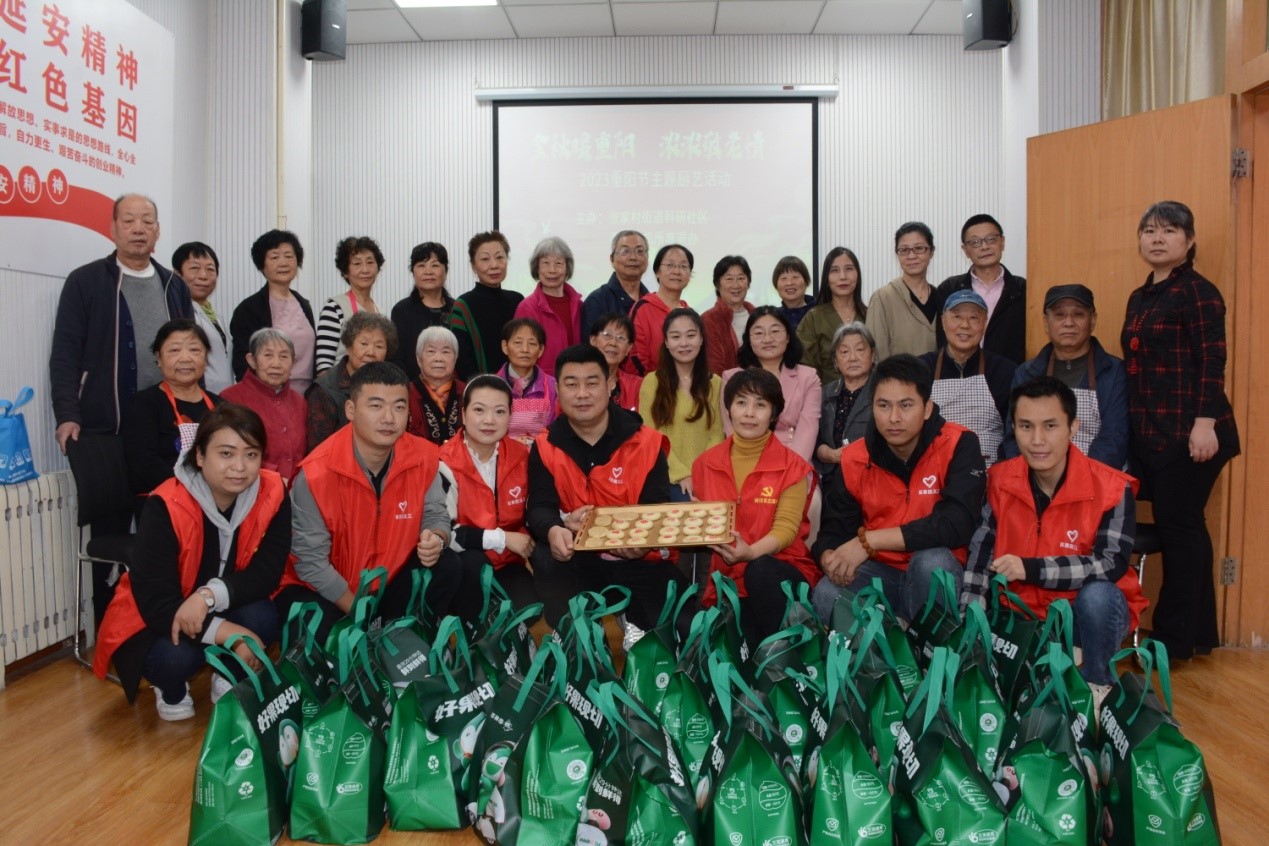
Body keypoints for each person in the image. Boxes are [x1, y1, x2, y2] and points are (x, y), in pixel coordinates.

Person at [93, 405, 290, 719]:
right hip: (158, 617)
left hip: (216, 603)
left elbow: (266, 573)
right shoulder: (166, 504)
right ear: (199, 456)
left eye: (251, 454)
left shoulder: (273, 492)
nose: (240, 467)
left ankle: (228, 674)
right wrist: (232, 635)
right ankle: (170, 688)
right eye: (226, 454)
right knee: (174, 658)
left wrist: (207, 596)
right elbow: (157, 604)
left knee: (263, 617)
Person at [962, 377, 1146, 702]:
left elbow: (1109, 564)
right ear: (1013, 429)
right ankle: (1049, 666)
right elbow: (980, 555)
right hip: (1020, 615)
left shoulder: (1113, 488)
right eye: (1026, 426)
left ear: (1073, 427)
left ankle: (1097, 687)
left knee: (1099, 597)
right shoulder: (1000, 480)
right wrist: (971, 623)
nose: (1037, 440)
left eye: (1050, 426)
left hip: (1081, 616)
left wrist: (1030, 568)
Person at [1121, 200, 1240, 660]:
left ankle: (1173, 641)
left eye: (1169, 230)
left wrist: (1204, 423)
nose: (1157, 238)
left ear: (1189, 241)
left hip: (1193, 432)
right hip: (1155, 432)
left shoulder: (1198, 292)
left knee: (1180, 530)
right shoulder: (1141, 296)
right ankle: (1197, 634)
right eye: (1149, 230)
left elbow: (1212, 360)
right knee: (1185, 528)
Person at [274, 361, 469, 639]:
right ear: (351, 410)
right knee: (312, 624)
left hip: (387, 578)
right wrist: (360, 613)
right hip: (329, 589)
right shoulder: (316, 475)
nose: (389, 418)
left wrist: (436, 537)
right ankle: (376, 638)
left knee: (447, 564)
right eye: (376, 406)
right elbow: (311, 564)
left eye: (399, 407)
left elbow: (436, 514)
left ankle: (409, 642)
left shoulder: (423, 457)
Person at [811, 354, 986, 622]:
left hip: (937, 569)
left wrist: (871, 541)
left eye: (906, 405)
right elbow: (834, 530)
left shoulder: (959, 443)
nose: (894, 418)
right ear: (872, 407)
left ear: (927, 408)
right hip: (881, 572)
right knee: (826, 593)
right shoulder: (855, 457)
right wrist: (829, 558)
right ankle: (887, 648)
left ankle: (928, 645)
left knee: (932, 563)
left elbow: (956, 523)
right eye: (883, 405)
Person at [527, 344, 684, 634]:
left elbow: (656, 506)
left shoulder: (646, 443)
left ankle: (636, 624)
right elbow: (539, 505)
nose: (582, 393)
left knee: (680, 624)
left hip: (637, 559)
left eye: (592, 383)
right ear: (557, 390)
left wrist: (642, 540)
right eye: (571, 384)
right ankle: (576, 637)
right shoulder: (545, 445)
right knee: (547, 557)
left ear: (610, 385)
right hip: (578, 558)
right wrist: (554, 528)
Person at [50, 194, 193, 454]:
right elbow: (65, 354)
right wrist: (66, 414)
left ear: (157, 231)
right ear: (113, 229)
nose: (138, 229)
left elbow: (192, 352)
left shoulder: (175, 286)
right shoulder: (85, 281)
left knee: (164, 482)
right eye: (128, 221)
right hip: (102, 425)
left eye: (147, 222)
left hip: (166, 423)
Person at [692, 368, 818, 645]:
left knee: (759, 570)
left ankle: (788, 657)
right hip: (727, 580)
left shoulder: (793, 467)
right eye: (741, 402)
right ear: (729, 409)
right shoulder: (705, 464)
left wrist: (749, 553)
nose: (749, 413)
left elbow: (786, 530)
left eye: (760, 405)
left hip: (780, 572)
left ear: (774, 414)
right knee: (736, 647)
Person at [438, 375, 538, 612]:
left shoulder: (523, 456)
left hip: (508, 561)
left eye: (500, 411)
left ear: (510, 416)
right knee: (473, 566)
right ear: (463, 414)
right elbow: (444, 533)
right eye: (479, 410)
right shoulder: (443, 462)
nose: (489, 420)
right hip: (466, 562)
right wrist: (502, 539)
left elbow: (537, 507)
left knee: (529, 610)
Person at [1002, 284, 1129, 469]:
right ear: (1046, 322)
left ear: (1093, 320)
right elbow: (1014, 438)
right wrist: (1040, 479)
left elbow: (1114, 440)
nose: (1068, 322)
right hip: (1036, 476)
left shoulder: (1115, 371)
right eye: (1059, 315)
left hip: (1097, 476)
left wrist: (1076, 479)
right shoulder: (1026, 373)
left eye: (1078, 314)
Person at [121, 319, 223, 507]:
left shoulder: (221, 406)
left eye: (194, 350)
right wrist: (196, 491)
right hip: (163, 502)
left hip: (216, 498)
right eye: (174, 350)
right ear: (159, 358)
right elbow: (144, 465)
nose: (185, 358)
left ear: (206, 358)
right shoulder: (144, 404)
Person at [919, 290, 1016, 467]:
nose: (965, 325)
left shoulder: (1005, 371)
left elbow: (1014, 435)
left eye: (974, 318)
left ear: (984, 324)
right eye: (957, 316)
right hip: (935, 472)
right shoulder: (921, 368)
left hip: (990, 472)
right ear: (943, 321)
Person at [639, 309, 724, 501]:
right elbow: (650, 435)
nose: (684, 343)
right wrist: (681, 474)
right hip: (666, 476)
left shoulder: (715, 383)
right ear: (666, 342)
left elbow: (717, 434)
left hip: (707, 474)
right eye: (676, 337)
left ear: (701, 339)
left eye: (691, 335)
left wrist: (699, 474)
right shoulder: (652, 382)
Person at [721, 307, 821, 462]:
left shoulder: (808, 377)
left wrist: (792, 469)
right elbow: (731, 430)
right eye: (759, 333)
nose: (767, 339)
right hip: (747, 461)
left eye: (775, 331)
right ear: (748, 340)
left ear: (788, 337)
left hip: (795, 461)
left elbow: (808, 429)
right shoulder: (732, 378)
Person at [230, 229, 317, 394]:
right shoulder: (248, 309)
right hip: (268, 395)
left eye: (289, 256)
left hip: (307, 397)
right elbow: (242, 364)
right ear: (262, 265)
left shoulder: (303, 304)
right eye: (275, 257)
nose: (283, 263)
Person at [936, 214, 1026, 365]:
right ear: (965, 250)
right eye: (975, 242)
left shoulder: (1023, 289)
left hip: (1011, 374)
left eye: (991, 239)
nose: (984, 247)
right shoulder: (949, 289)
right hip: (962, 372)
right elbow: (943, 340)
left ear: (1002, 242)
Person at [221, 328, 307, 484]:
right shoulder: (231, 399)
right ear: (252, 360)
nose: (276, 364)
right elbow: (228, 453)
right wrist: (275, 479)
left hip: (296, 488)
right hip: (251, 486)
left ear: (293, 362)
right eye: (268, 355)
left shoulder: (300, 402)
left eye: (284, 356)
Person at [306, 312, 397, 451]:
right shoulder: (324, 390)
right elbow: (318, 450)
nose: (371, 352)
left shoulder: (390, 385)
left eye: (379, 347)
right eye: (364, 344)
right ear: (349, 347)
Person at [449, 230, 524, 378]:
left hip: (518, 385)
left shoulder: (517, 300)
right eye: (485, 259)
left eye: (500, 257)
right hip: (479, 386)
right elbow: (462, 359)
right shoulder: (463, 305)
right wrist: (483, 386)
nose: (494, 265)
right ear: (473, 266)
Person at [865, 222, 939, 360]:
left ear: (931, 251)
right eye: (904, 250)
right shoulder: (883, 298)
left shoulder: (941, 296)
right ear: (897, 254)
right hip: (898, 374)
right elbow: (876, 357)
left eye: (919, 248)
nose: (911, 256)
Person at [814, 322, 877, 479]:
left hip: (873, 476)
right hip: (832, 478)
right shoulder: (823, 394)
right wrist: (830, 454)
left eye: (860, 350)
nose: (852, 358)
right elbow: (814, 440)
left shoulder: (884, 392)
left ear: (873, 355)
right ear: (835, 360)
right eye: (844, 352)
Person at [513, 236, 583, 377]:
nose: (552, 270)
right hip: (541, 383)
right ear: (537, 268)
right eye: (545, 263)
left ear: (567, 268)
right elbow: (521, 355)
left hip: (576, 380)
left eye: (559, 263)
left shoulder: (579, 305)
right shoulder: (527, 308)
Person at [315, 236, 385, 375]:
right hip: (340, 386)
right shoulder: (334, 308)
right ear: (345, 272)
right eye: (357, 263)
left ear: (378, 268)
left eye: (370, 262)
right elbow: (323, 366)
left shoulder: (380, 311)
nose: (365, 270)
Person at [798, 247, 867, 384]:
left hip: (869, 394)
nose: (843, 276)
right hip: (826, 394)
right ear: (826, 278)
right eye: (834, 270)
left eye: (849, 269)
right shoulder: (814, 317)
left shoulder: (870, 315)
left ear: (858, 275)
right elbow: (806, 367)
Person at [390, 242, 456, 383]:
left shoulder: (457, 309)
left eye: (435, 265)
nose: (428, 272)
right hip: (413, 388)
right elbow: (397, 359)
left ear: (446, 270)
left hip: (453, 388)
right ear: (413, 272)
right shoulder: (401, 310)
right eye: (421, 265)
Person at [173, 241, 233, 393]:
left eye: (210, 269)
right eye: (194, 268)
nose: (203, 276)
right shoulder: (177, 313)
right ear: (177, 274)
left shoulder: (216, 316)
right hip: (197, 396)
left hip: (223, 398)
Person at [630, 243, 693, 375]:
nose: (676, 271)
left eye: (683, 266)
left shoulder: (691, 314)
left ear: (689, 275)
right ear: (657, 272)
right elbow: (635, 356)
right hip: (650, 384)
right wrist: (654, 384)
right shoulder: (643, 309)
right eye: (670, 265)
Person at [496, 318, 558, 444]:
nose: (525, 349)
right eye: (518, 343)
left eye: (532, 344)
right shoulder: (491, 386)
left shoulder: (553, 386)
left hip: (542, 452)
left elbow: (557, 428)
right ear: (505, 347)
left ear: (541, 350)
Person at [582, 230, 650, 340]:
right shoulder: (597, 300)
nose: (633, 257)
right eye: (625, 251)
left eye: (640, 251)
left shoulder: (651, 300)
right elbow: (590, 346)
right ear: (612, 259)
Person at [407, 326, 465, 445]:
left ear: (455, 358)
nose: (438, 358)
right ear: (419, 359)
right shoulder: (405, 394)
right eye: (431, 351)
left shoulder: (468, 392)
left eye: (446, 352)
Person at [701, 255, 755, 374]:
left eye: (741, 278)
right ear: (717, 284)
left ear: (748, 283)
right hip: (728, 384)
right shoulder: (709, 320)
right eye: (729, 279)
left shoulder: (758, 316)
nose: (736, 285)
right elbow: (714, 369)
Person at [589, 312, 643, 414]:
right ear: (593, 340)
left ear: (629, 348)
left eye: (621, 338)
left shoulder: (638, 386)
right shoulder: (576, 381)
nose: (613, 343)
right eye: (607, 335)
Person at [772, 255, 815, 331]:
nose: (789, 283)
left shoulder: (820, 313)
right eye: (784, 278)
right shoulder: (773, 317)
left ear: (806, 282)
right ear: (776, 285)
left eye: (795, 277)